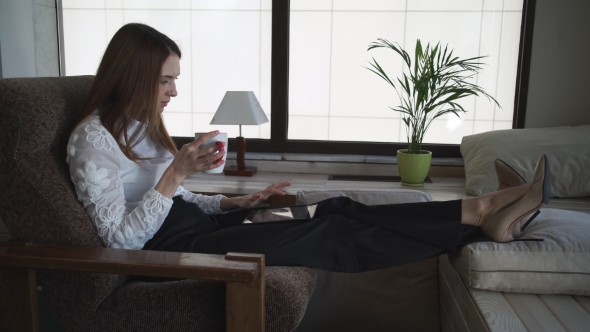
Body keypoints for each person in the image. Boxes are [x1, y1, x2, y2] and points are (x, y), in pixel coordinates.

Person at [67, 23, 550, 273]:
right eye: (165, 80)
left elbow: (176, 200)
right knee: (330, 234)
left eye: (175, 80)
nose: (173, 92)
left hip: (198, 225)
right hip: (173, 251)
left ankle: (479, 212)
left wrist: (233, 202)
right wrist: (175, 173)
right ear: (133, 75)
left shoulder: (142, 126)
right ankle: (481, 216)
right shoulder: (92, 139)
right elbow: (118, 241)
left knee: (335, 206)